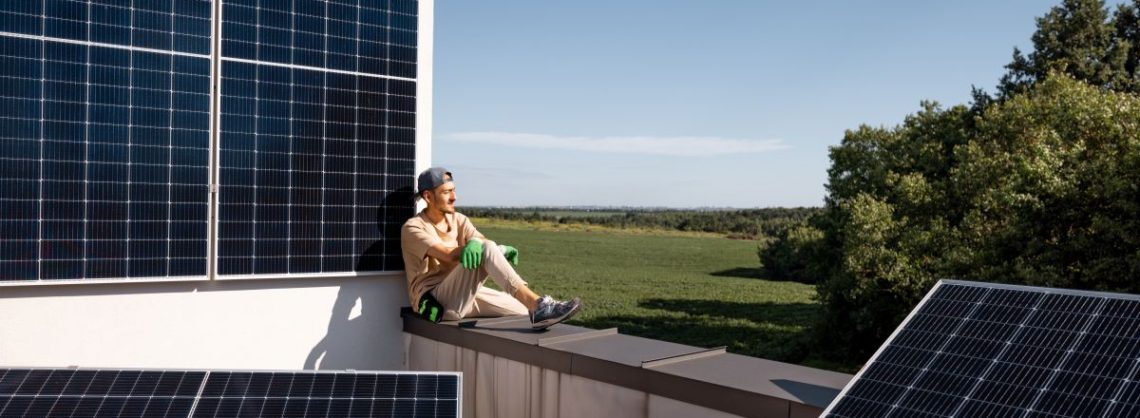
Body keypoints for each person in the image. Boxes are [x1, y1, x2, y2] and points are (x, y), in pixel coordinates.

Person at [400, 167, 582, 329]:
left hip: (463, 295)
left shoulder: (459, 219)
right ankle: (538, 305)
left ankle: (535, 309)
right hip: (436, 301)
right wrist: (477, 246)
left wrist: (499, 249)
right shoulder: (413, 228)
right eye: (446, 192)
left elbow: (481, 240)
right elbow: (447, 254)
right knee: (485, 247)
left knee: (519, 307)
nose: (454, 197)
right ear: (428, 196)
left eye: (454, 191)